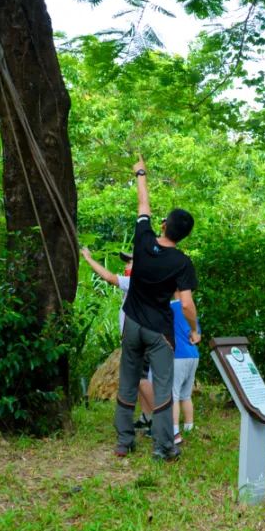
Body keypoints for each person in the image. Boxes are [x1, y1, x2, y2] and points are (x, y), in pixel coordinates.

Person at [113, 156, 199, 461]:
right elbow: (186, 303)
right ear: (184, 236)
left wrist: (141, 172)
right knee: (163, 387)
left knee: (128, 380)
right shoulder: (182, 262)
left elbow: (143, 204)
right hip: (158, 331)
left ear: (163, 225)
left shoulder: (143, 238)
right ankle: (163, 447)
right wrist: (193, 330)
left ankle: (124, 442)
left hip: (132, 324)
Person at [80, 247, 155, 428]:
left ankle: (161, 419)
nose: (126, 266)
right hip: (136, 339)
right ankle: (147, 418)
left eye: (130, 262)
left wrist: (88, 259)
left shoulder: (138, 282)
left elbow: (109, 277)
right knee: (140, 379)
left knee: (142, 379)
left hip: (140, 340)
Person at [169, 293, 200, 445]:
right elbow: (197, 334)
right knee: (186, 395)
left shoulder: (171, 307)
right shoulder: (191, 309)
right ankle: (189, 425)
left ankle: (174, 429)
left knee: (173, 394)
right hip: (193, 354)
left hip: (178, 355)